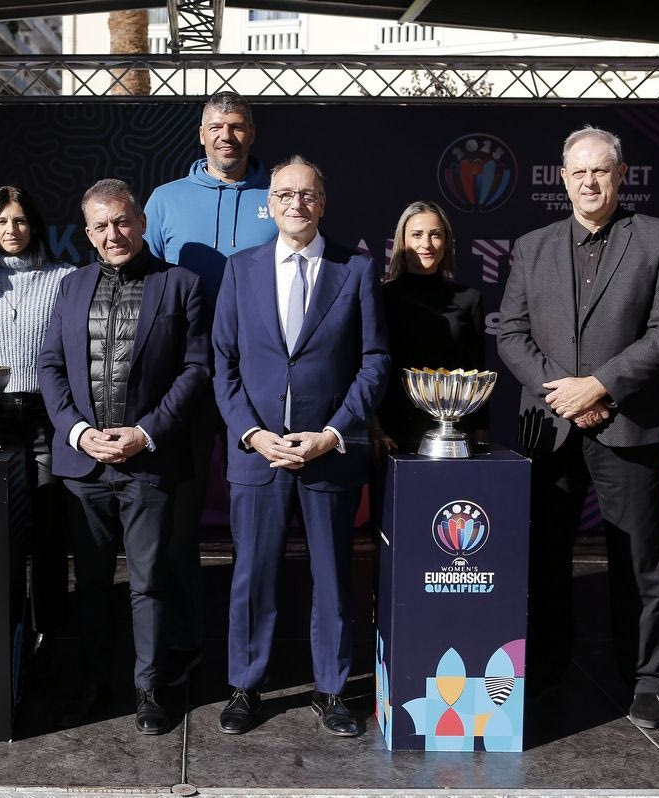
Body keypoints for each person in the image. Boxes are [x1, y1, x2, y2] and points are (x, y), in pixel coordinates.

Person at [497, 125, 659, 729]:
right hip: (550, 426)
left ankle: (647, 679)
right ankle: (545, 667)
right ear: (563, 179)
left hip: (626, 424)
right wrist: (566, 395)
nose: (589, 182)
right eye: (578, 172)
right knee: (544, 557)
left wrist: (600, 386)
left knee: (637, 559)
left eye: (600, 170)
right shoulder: (532, 246)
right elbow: (511, 333)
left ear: (620, 175)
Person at [211, 156, 389, 738]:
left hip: (329, 453)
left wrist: (333, 434)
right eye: (285, 194)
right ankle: (245, 686)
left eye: (307, 194)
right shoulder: (240, 269)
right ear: (269, 204)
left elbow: (374, 362)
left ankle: (332, 689)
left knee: (333, 575)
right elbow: (223, 363)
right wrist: (253, 433)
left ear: (323, 203)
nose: (296, 203)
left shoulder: (355, 270)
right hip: (257, 452)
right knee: (252, 574)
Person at [38, 179, 210, 735]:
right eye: (100, 226)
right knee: (90, 583)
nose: (113, 234)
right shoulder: (70, 287)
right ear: (87, 233)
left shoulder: (180, 284)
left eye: (121, 221)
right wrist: (77, 433)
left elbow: (196, 370)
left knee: (149, 582)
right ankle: (94, 683)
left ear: (140, 222)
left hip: (148, 463)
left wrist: (145, 432)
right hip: (83, 467)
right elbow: (50, 366)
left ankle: (150, 689)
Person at [143, 91, 277, 683]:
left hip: (261, 379)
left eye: (238, 126)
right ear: (201, 135)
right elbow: (143, 282)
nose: (227, 135)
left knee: (262, 519)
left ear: (252, 133)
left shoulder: (280, 195)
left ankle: (256, 645)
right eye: (217, 126)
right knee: (179, 519)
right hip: (187, 377)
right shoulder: (166, 200)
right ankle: (183, 639)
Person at [0, 186, 73, 663]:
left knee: (48, 529)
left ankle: (51, 632)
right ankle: (1, 629)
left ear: (35, 226)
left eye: (21, 220)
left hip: (48, 417)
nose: (12, 230)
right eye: (2, 221)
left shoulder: (64, 278)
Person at [374, 200, 487, 455]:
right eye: (417, 235)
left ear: (446, 242)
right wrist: (375, 428)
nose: (426, 244)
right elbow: (369, 366)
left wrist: (481, 435)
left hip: (454, 433)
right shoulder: (381, 297)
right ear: (402, 242)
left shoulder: (469, 299)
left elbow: (477, 372)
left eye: (435, 234)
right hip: (392, 432)